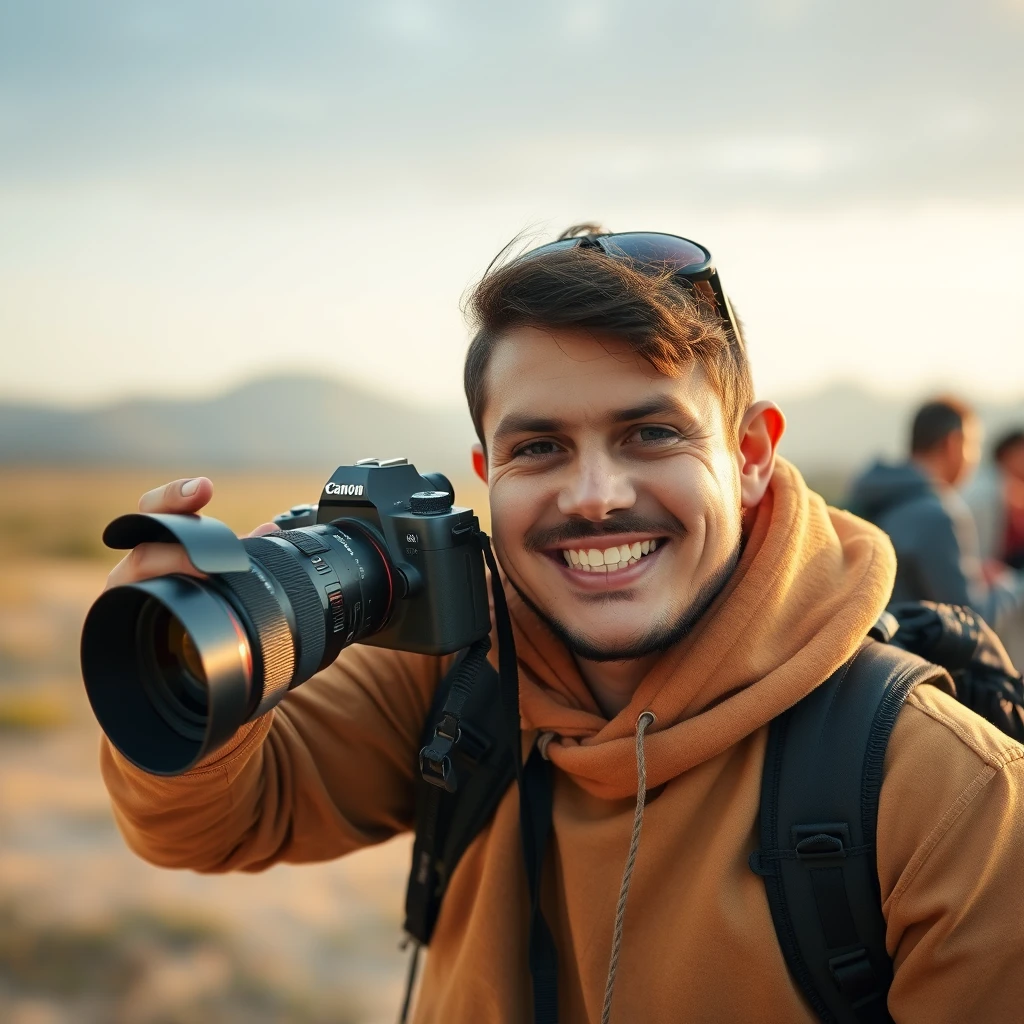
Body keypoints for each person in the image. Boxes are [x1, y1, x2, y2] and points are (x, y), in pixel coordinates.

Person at [98, 228, 1024, 1022]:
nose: (593, 497)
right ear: (487, 472)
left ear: (748, 455)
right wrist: (205, 651)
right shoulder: (460, 669)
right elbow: (205, 827)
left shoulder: (950, 798)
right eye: (539, 447)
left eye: (650, 434)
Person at [846, 398, 1024, 627]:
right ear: (953, 443)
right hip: (909, 648)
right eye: (974, 445)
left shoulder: (872, 494)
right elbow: (969, 621)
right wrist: (1010, 587)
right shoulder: (939, 515)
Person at [964, 427, 1024, 664]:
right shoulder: (988, 492)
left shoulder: (1002, 489)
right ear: (1008, 454)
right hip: (988, 588)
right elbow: (980, 556)